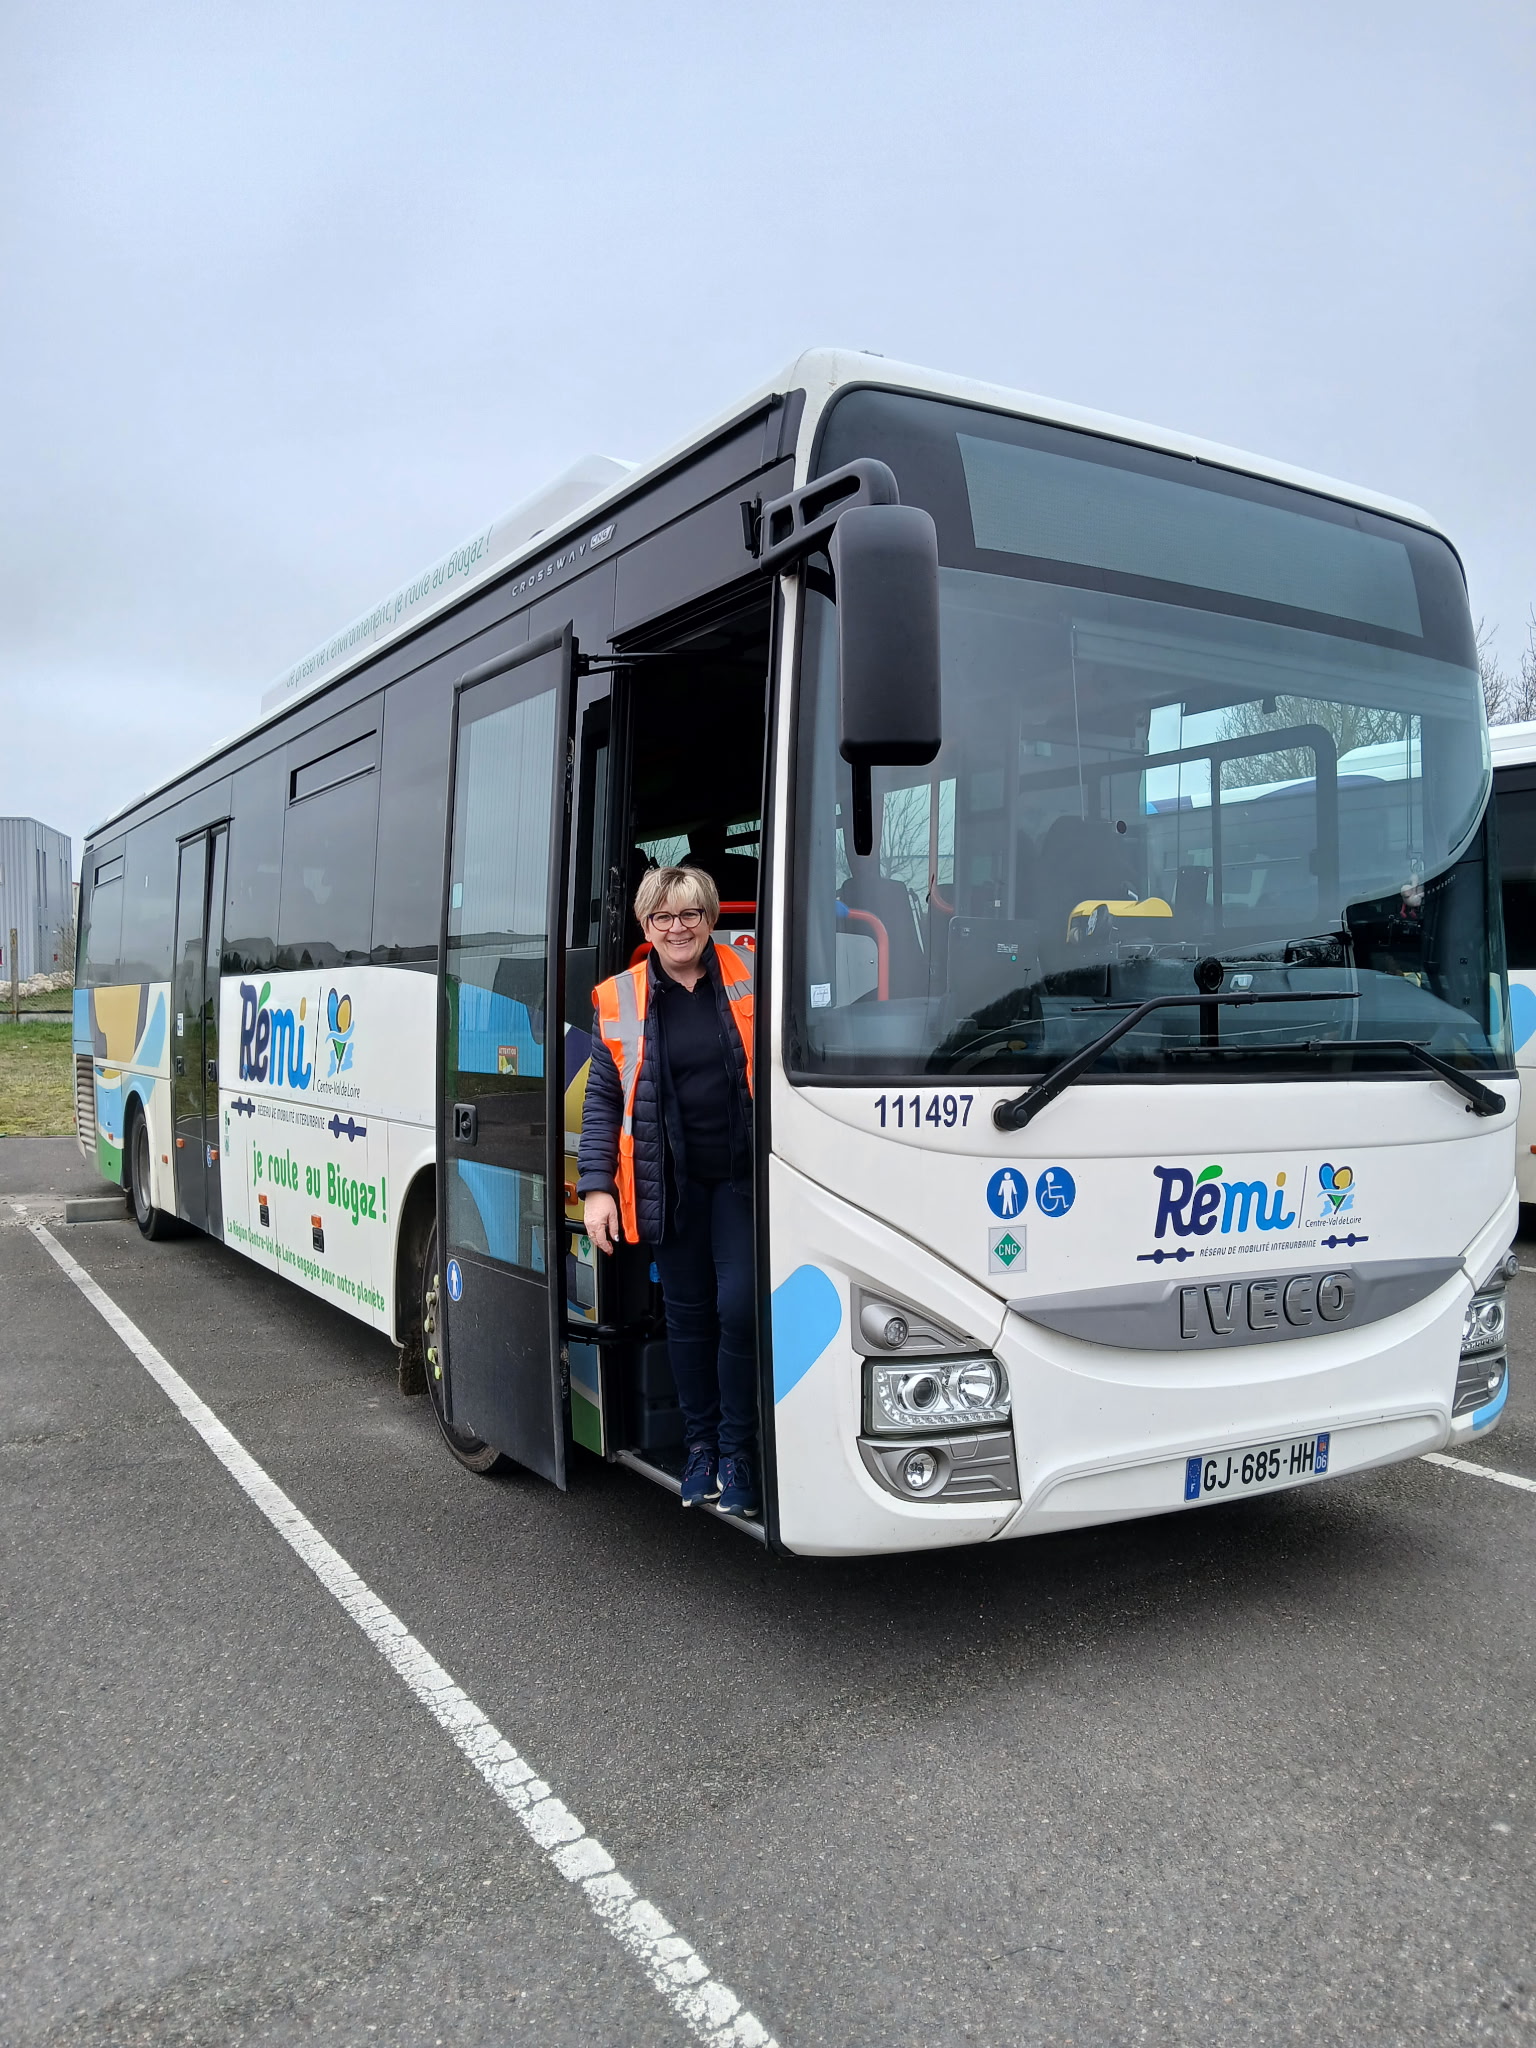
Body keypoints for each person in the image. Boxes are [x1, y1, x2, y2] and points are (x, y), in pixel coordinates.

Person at [577, 865, 758, 1515]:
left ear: (711, 920)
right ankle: (701, 1445)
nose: (677, 928)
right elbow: (603, 1099)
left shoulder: (751, 975)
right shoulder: (619, 997)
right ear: (645, 925)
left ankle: (739, 1449)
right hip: (670, 1185)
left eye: (690, 915)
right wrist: (596, 1188)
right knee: (687, 1316)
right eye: (662, 917)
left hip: (741, 1178)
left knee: (738, 1309)